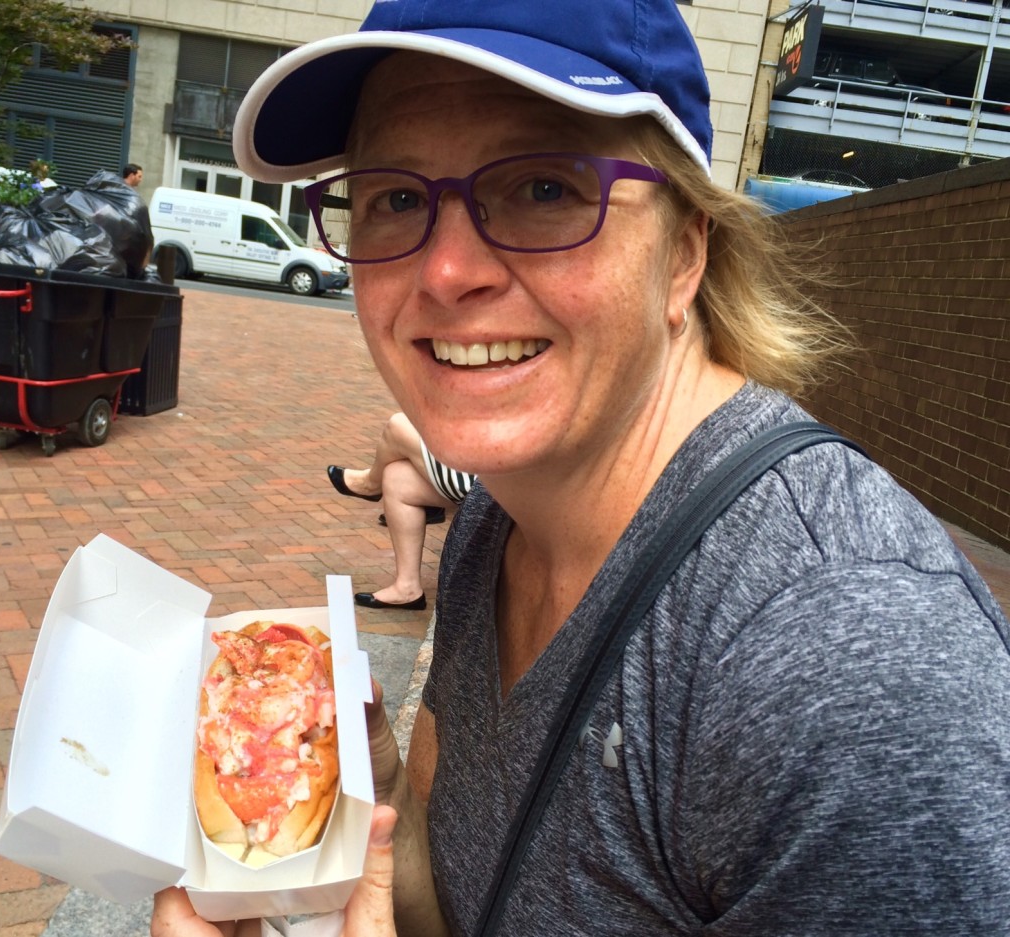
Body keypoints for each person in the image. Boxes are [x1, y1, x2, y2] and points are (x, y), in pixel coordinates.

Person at [154, 1, 1010, 935]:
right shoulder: (499, 513)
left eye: (545, 189)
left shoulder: (847, 667)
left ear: (686, 251)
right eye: (396, 196)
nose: (445, 272)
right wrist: (381, 816)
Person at [327, 412, 476, 610]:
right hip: (487, 471)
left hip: (499, 484)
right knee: (397, 478)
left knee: (398, 426)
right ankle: (407, 588)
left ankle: (370, 484)